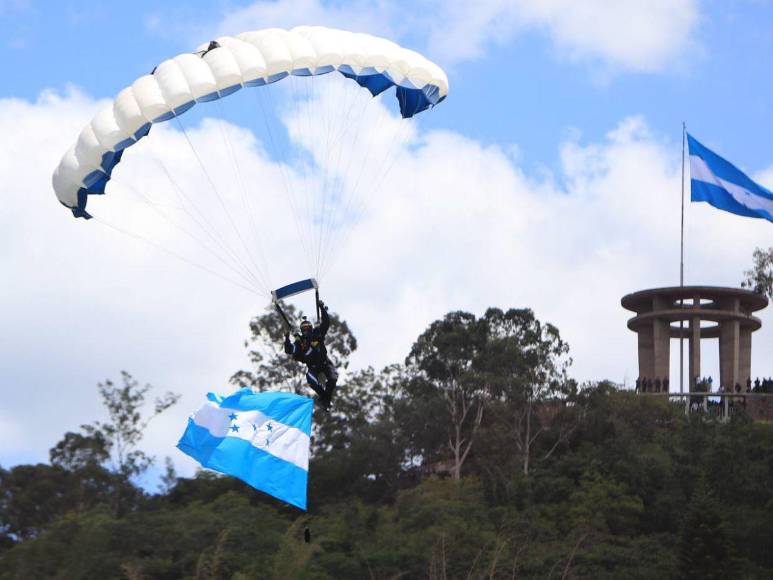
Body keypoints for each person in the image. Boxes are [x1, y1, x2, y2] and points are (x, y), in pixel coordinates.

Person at [284, 299, 338, 409]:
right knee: (311, 381)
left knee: (333, 378)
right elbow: (289, 349)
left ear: (311, 328)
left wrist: (322, 308)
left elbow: (326, 322)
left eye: (307, 327)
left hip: (325, 363)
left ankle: (325, 400)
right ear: (301, 330)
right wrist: (287, 338)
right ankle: (325, 399)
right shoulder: (299, 343)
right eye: (303, 329)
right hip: (313, 367)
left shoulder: (317, 333)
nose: (306, 330)